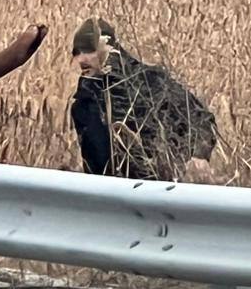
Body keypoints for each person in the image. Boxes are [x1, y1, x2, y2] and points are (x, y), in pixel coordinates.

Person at [69, 17, 218, 183]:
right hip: (110, 192)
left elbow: (201, 122)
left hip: (158, 188)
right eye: (77, 52)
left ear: (109, 47)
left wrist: (194, 158)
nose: (81, 59)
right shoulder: (83, 104)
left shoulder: (151, 81)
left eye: (88, 50)